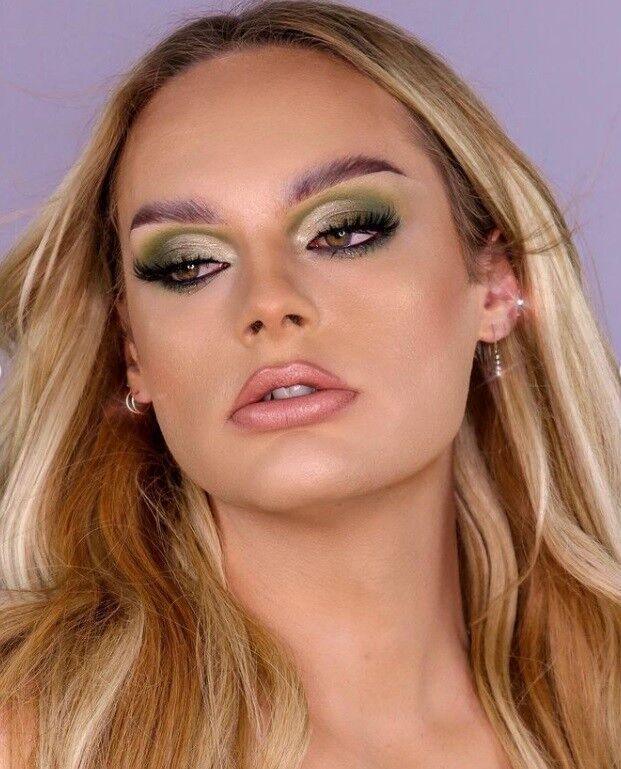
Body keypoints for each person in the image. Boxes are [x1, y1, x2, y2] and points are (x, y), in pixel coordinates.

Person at [0, 1, 619, 767]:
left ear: (494, 284)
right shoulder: (33, 737)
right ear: (134, 352)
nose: (268, 303)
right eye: (189, 263)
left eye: (344, 230)